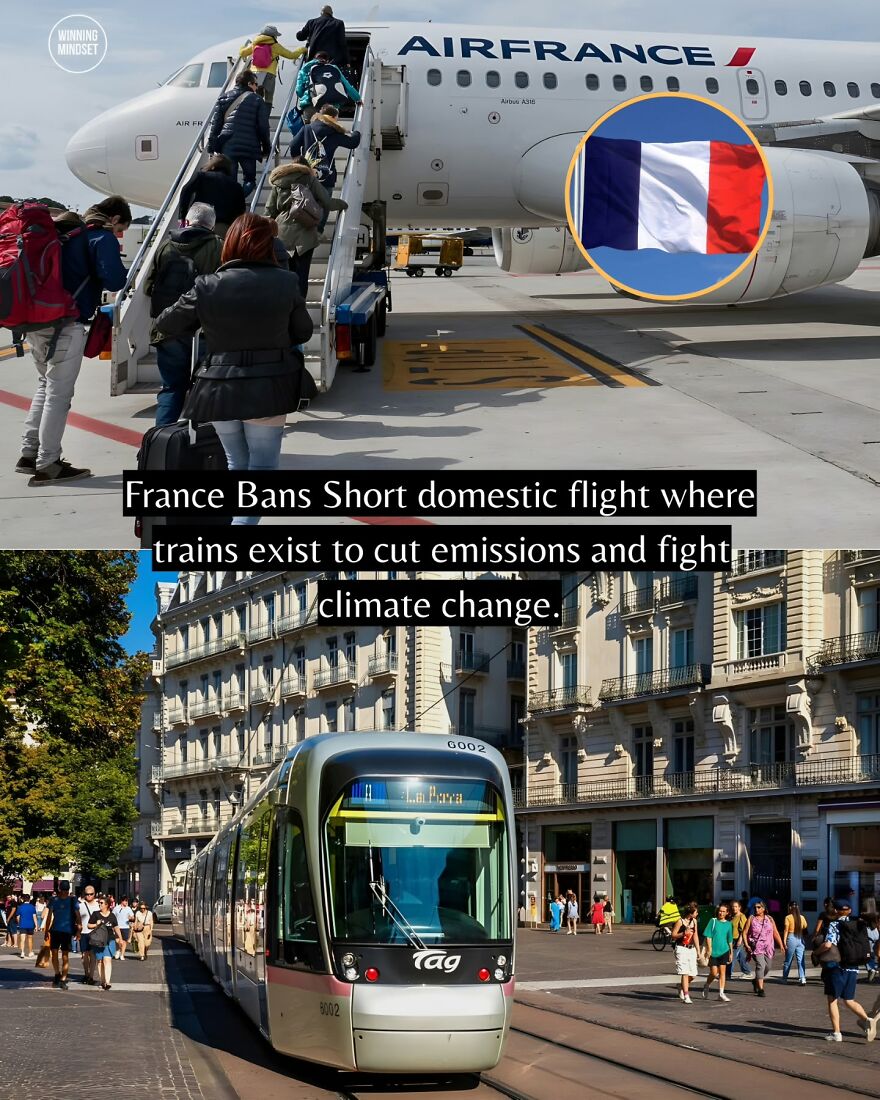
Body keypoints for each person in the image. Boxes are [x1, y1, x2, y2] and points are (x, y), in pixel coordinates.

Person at [155, 213, 313, 522]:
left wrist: (208, 321)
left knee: (235, 464)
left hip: (217, 386)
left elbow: (166, 323)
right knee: (262, 468)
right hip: (268, 386)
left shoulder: (206, 285)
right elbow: (303, 331)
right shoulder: (286, 281)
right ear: (269, 245)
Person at [16, 197, 130, 484]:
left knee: (45, 386)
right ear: (114, 218)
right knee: (59, 395)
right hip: (67, 324)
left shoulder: (64, 235)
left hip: (36, 321)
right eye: (121, 229)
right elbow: (116, 281)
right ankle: (48, 463)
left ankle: (29, 453)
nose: (118, 235)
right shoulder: (98, 236)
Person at [147, 202, 223, 426]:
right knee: (205, 387)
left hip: (168, 327)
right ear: (211, 224)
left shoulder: (165, 246)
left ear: (187, 221)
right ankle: (200, 441)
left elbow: (148, 286)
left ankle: (162, 439)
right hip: (203, 329)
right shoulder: (218, 246)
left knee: (171, 388)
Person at [266, 157, 347, 299]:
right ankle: (299, 308)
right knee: (302, 274)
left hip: (282, 233)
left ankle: (285, 307)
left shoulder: (279, 182)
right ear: (306, 167)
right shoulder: (310, 180)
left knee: (284, 273)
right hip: (305, 234)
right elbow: (326, 202)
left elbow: (270, 211)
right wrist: (343, 204)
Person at [816, 899, 876, 1042]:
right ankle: (867, 1019)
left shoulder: (835, 924)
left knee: (832, 999)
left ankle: (837, 1033)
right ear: (849, 910)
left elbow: (829, 944)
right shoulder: (859, 923)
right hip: (854, 966)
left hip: (838, 967)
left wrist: (817, 952)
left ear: (836, 911)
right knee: (849, 999)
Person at [207, 70, 270, 198]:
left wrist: (211, 147)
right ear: (249, 83)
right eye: (255, 84)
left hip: (228, 144)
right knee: (250, 181)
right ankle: (238, 200)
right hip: (250, 146)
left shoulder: (224, 97)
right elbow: (263, 127)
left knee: (229, 180)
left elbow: (216, 125)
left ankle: (231, 205)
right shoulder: (257, 99)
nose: (257, 87)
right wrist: (266, 147)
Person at [288, 103, 361, 192]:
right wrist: (356, 133)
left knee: (307, 203)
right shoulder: (334, 133)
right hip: (327, 178)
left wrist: (300, 163)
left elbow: (293, 145)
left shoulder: (307, 128)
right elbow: (353, 143)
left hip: (307, 175)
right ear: (334, 117)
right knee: (325, 204)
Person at [239, 24, 304, 110]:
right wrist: (302, 49)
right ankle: (264, 118)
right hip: (269, 74)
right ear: (273, 36)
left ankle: (255, 116)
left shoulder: (255, 45)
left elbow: (242, 53)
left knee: (256, 97)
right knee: (268, 99)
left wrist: (242, 47)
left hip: (254, 75)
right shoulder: (275, 46)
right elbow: (291, 55)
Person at [179, 154, 246, 238]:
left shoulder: (201, 176)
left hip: (199, 222)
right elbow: (241, 210)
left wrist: (182, 217)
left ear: (212, 165)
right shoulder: (237, 186)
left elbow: (185, 191)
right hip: (222, 226)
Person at [293, 51, 361, 128]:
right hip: (331, 106)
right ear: (328, 60)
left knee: (310, 132)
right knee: (330, 131)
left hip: (311, 106)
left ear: (314, 59)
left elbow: (299, 91)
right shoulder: (333, 68)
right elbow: (347, 86)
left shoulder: (306, 68)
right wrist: (357, 99)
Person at [744, 899, 784, 997]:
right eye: (755, 907)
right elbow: (744, 932)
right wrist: (746, 944)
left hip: (768, 946)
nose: (756, 909)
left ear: (764, 908)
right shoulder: (751, 918)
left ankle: (756, 980)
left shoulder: (769, 919)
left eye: (759, 907)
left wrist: (781, 945)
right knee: (761, 965)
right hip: (756, 946)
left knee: (768, 967)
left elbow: (775, 932)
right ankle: (761, 989)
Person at [45, 880, 80, 990]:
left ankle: (63, 979)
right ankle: (57, 974)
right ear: (60, 889)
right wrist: (46, 930)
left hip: (67, 931)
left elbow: (78, 916)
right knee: (54, 953)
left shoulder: (73, 900)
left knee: (65, 956)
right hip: (55, 930)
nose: (65, 892)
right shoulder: (54, 900)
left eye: (66, 890)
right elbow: (49, 916)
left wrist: (79, 929)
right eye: (63, 890)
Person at [88, 895, 124, 990]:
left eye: (101, 903)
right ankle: (102, 981)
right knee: (100, 961)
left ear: (107, 905)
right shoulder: (95, 914)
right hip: (98, 941)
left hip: (109, 940)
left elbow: (116, 927)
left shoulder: (112, 916)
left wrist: (120, 938)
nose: (99, 904)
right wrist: (96, 924)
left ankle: (108, 982)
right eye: (99, 903)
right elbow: (89, 925)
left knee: (107, 960)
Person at [700, 903, 734, 1002]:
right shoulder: (713, 921)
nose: (721, 913)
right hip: (713, 952)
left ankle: (721, 993)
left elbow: (730, 940)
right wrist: (709, 949)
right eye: (720, 911)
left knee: (722, 972)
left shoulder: (728, 924)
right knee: (714, 973)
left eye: (723, 911)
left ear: (727, 913)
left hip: (724, 950)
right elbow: (708, 936)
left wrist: (731, 953)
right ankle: (707, 985)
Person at [671, 901, 701, 1004]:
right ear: (691, 912)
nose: (697, 914)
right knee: (685, 972)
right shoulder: (680, 921)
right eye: (696, 912)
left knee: (693, 974)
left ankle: (681, 986)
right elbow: (673, 935)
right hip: (681, 948)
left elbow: (695, 936)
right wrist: (684, 933)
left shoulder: (694, 921)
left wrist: (698, 950)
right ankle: (686, 995)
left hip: (691, 949)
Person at [782, 900, 809, 985]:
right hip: (800, 938)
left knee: (788, 960)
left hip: (791, 938)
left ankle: (785, 978)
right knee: (801, 960)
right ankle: (802, 978)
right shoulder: (801, 917)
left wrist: (784, 941)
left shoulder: (788, 917)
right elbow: (805, 926)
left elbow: (786, 930)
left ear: (790, 907)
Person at [78, 884, 101, 986]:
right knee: (84, 955)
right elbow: (77, 919)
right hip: (83, 933)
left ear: (94, 894)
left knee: (93, 955)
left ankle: (91, 976)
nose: (89, 896)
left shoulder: (99, 904)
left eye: (91, 894)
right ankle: (86, 974)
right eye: (87, 894)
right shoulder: (80, 905)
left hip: (95, 933)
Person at [727, 898, 753, 980]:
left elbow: (744, 930)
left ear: (739, 907)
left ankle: (727, 974)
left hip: (738, 940)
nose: (734, 908)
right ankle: (748, 972)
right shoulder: (732, 916)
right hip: (732, 940)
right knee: (741, 957)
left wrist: (740, 940)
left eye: (736, 906)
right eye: (733, 906)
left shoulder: (742, 916)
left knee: (732, 957)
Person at [13, 893, 37, 958]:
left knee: (22, 939)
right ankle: (30, 952)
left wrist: (19, 923)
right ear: (29, 899)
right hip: (30, 925)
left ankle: (22, 952)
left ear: (23, 899)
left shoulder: (20, 907)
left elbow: (17, 917)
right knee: (30, 939)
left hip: (22, 924)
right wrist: (36, 926)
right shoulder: (32, 907)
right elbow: (34, 917)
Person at [113, 896, 135, 961]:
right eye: (125, 901)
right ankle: (118, 950)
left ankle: (122, 954)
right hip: (117, 927)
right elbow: (113, 916)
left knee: (124, 941)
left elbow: (133, 917)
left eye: (127, 901)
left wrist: (131, 918)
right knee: (117, 940)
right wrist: (113, 926)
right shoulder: (116, 908)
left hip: (126, 927)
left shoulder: (128, 909)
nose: (126, 902)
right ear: (122, 901)